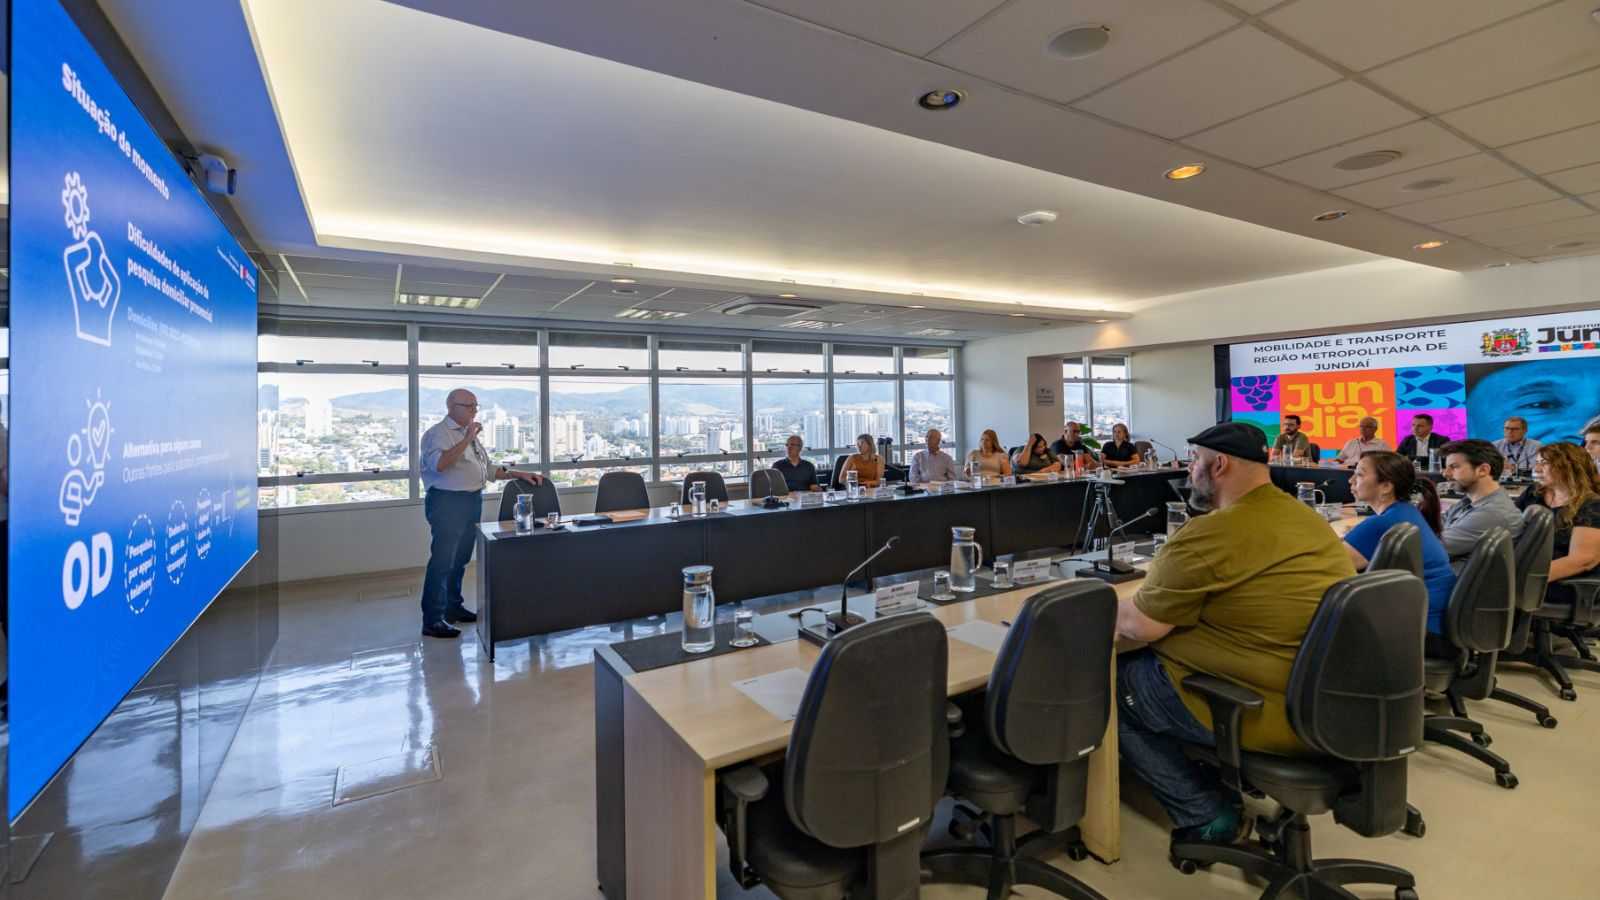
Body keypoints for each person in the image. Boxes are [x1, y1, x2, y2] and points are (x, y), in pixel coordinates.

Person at [1113, 422, 1354, 849]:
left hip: (1257, 705)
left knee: (1109, 687)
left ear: (1218, 464)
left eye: (1194, 463)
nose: (1189, 472)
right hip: (1323, 699)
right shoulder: (1304, 518)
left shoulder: (1214, 531)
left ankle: (1204, 814)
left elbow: (1139, 625)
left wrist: (1089, 603)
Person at [419, 389, 543, 638]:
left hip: (471, 500)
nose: (474, 411)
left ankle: (452, 608)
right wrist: (467, 438)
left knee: (461, 558)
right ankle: (432, 620)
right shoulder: (437, 434)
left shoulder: (470, 435)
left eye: (476, 406)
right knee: (443, 561)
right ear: (451, 406)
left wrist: (518, 474)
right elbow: (440, 464)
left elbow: (486, 469)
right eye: (469, 406)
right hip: (447, 502)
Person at [1343, 451, 1458, 657]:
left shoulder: (1381, 523)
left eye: (1359, 474)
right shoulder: (1406, 511)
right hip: (1440, 626)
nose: (1351, 480)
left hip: (1421, 632)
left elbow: (1328, 565)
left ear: (1386, 486)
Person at [1516, 443, 1600, 603]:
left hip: (1565, 582)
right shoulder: (1533, 494)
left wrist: (1523, 577)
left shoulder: (1592, 505)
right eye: (1537, 462)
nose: (1537, 468)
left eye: (1544, 463)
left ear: (1569, 466)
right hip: (1528, 572)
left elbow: (1583, 561)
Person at [1437, 439, 1524, 566]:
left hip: (1453, 582)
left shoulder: (1491, 513)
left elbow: (1432, 551)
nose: (1445, 473)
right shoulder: (1470, 501)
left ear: (1483, 470)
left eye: (1454, 467)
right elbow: (1436, 524)